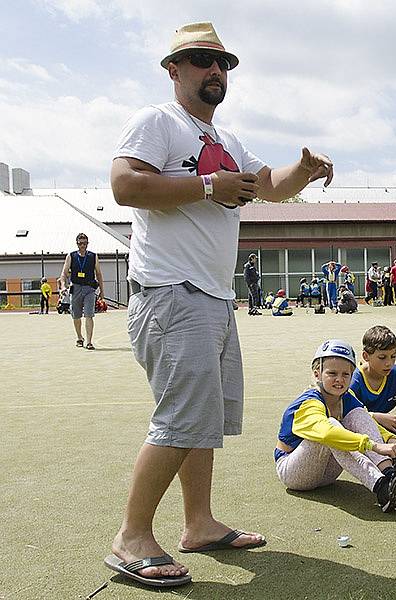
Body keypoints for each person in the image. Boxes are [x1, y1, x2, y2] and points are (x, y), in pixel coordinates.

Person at [107, 21, 333, 587]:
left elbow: (269, 185)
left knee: (205, 420)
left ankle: (199, 524)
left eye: (223, 63)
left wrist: (301, 171)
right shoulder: (157, 122)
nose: (215, 70)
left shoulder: (228, 141)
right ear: (174, 69)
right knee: (182, 420)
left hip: (212, 297)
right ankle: (132, 537)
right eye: (203, 60)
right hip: (169, 293)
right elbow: (126, 186)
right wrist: (210, 188)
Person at [275, 339, 396, 513]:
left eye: (345, 375)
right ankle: (381, 488)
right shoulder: (308, 402)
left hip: (327, 473)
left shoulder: (346, 397)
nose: (339, 380)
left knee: (359, 414)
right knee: (333, 426)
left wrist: (392, 442)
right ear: (317, 374)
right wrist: (375, 446)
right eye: (332, 373)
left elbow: (368, 424)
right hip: (294, 473)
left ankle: (389, 476)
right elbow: (327, 433)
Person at [60, 232, 104, 350]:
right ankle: (80, 337)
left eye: (85, 243)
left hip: (89, 289)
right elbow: (64, 273)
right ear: (77, 244)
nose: (83, 245)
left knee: (89, 315)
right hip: (76, 288)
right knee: (76, 316)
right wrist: (63, 286)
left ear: (87, 244)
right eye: (80, 243)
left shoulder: (93, 256)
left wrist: (102, 292)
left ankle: (89, 342)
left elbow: (99, 274)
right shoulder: (71, 256)